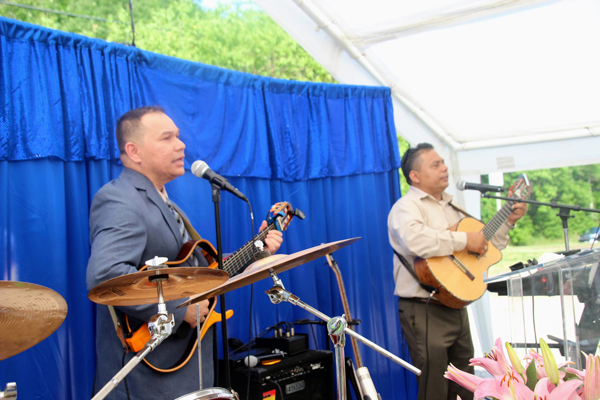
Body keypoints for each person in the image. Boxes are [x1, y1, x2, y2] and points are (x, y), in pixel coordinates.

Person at [86, 106, 283, 400]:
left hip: (185, 368)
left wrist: (256, 250)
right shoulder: (119, 198)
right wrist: (181, 308)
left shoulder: (167, 204)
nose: (181, 145)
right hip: (148, 376)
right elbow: (107, 275)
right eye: (167, 138)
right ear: (134, 151)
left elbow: (197, 277)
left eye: (178, 136)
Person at [387, 143, 526, 400]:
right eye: (435, 164)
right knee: (435, 387)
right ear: (415, 176)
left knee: (466, 382)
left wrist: (508, 220)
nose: (445, 167)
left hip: (456, 305)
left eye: (443, 162)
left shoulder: (453, 207)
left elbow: (485, 247)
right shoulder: (406, 207)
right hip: (424, 307)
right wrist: (463, 240)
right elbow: (414, 240)